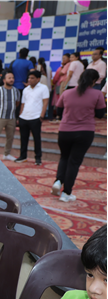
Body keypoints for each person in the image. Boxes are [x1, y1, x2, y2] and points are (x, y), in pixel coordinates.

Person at [53, 69, 106, 203]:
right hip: (85, 132)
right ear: (94, 81)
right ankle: (66, 193)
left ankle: (58, 181)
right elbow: (100, 114)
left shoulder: (67, 93)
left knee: (64, 157)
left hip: (65, 130)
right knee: (74, 162)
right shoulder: (97, 94)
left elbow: (58, 111)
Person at [16, 70, 49, 165]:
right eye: (29, 78)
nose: (29, 80)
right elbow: (23, 104)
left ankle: (38, 158)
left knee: (36, 139)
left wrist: (42, 116)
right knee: (23, 138)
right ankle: (23, 156)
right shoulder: (26, 90)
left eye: (32, 78)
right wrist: (20, 116)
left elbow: (45, 102)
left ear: (38, 79)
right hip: (24, 117)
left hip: (36, 117)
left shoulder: (43, 88)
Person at [0, 71, 21, 160]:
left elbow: (17, 103)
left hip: (11, 118)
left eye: (12, 78)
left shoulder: (16, 91)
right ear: (4, 80)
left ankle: (7, 154)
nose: (11, 80)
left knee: (10, 136)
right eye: (9, 78)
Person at [51, 53, 71, 122]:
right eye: (62, 58)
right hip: (62, 84)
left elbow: (56, 78)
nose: (63, 60)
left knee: (60, 100)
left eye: (65, 58)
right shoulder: (65, 67)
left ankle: (59, 116)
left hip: (61, 85)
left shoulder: (63, 68)